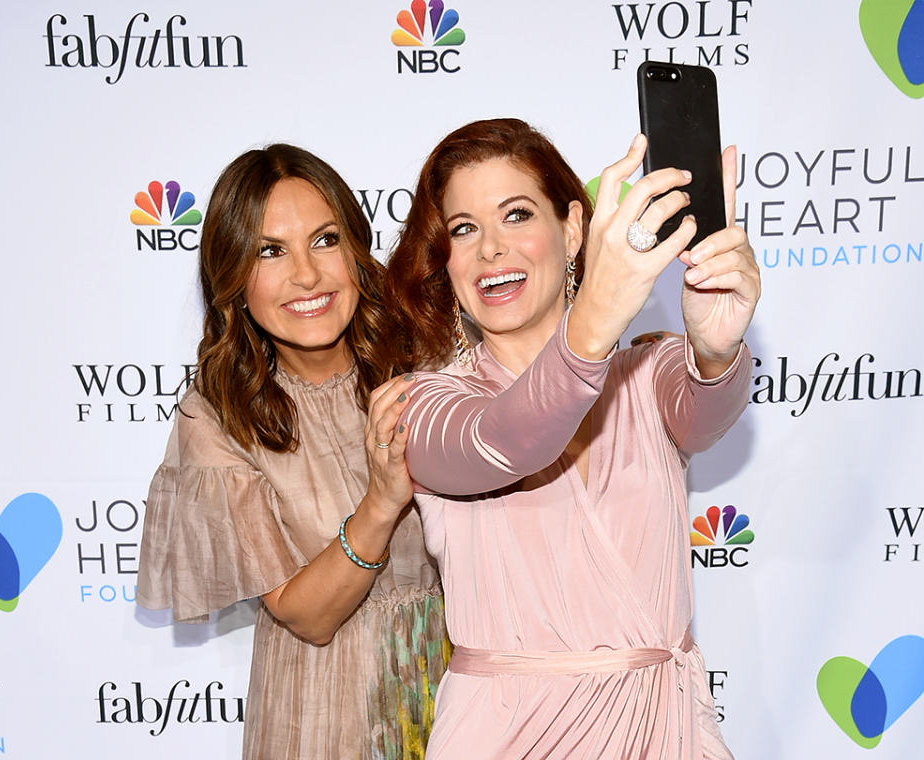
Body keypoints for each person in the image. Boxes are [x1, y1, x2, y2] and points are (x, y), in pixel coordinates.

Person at [383, 118, 760, 759]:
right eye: (464, 229)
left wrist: (717, 349)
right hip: (512, 739)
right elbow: (511, 439)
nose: (492, 250)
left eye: (517, 215)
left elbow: (705, 408)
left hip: (663, 732)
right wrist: (593, 321)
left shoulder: (647, 369)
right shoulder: (426, 408)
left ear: (574, 229)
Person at [137, 144, 449, 760]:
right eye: (269, 251)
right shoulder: (218, 416)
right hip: (325, 711)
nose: (306, 276)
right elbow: (305, 615)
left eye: (325, 240)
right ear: (232, 276)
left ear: (355, 253)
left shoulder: (427, 361)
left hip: (459, 686)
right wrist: (382, 502)